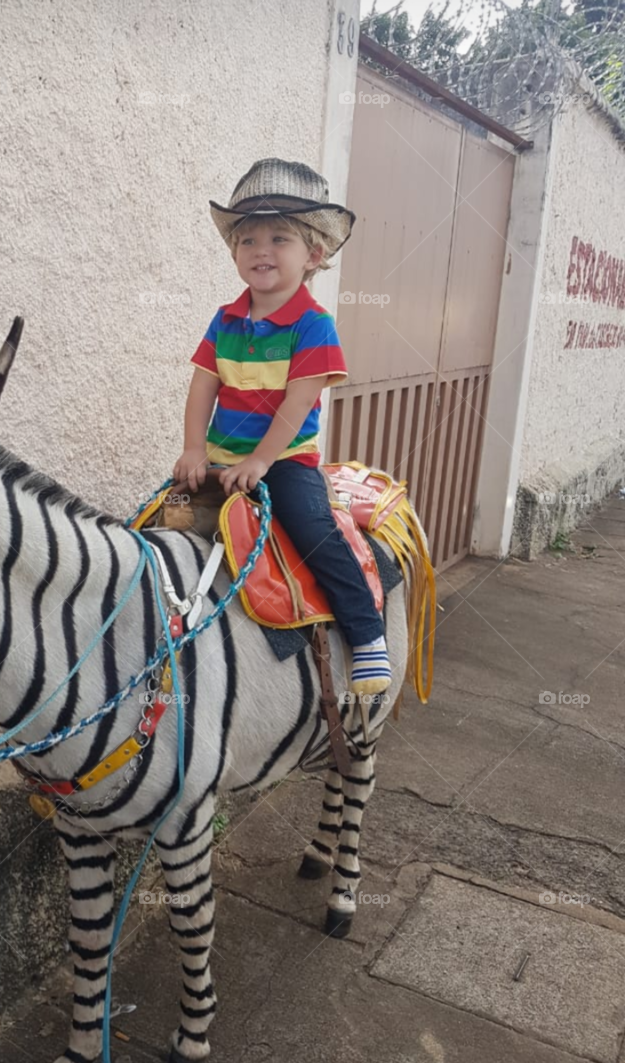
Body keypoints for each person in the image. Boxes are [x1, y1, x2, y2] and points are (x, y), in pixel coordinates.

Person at [172, 158, 390, 697]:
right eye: (247, 240)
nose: (261, 250)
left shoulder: (314, 325)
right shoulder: (224, 320)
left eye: (279, 238)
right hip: (222, 461)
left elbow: (297, 404)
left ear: (313, 254)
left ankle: (367, 637)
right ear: (234, 253)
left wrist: (261, 462)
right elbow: (204, 385)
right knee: (165, 522)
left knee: (314, 532)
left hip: (284, 462)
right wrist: (193, 448)